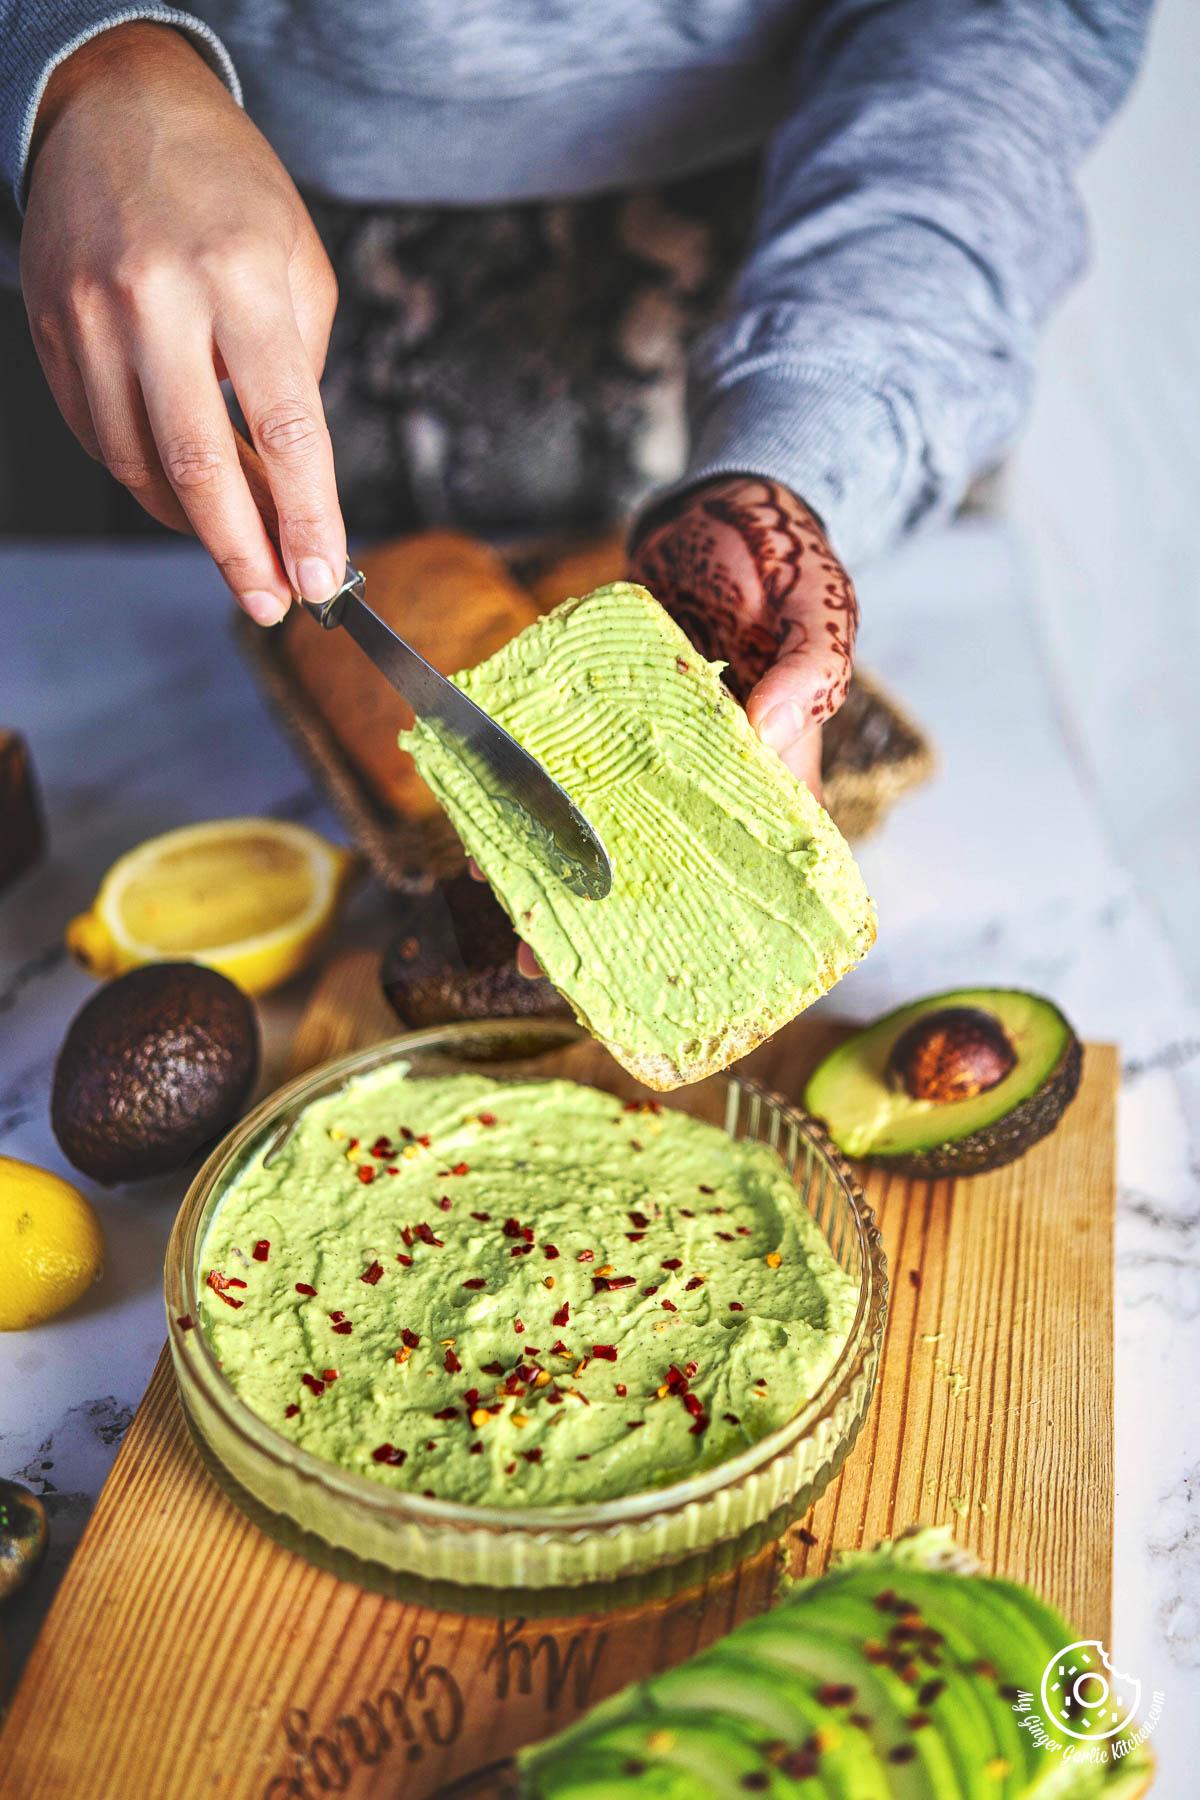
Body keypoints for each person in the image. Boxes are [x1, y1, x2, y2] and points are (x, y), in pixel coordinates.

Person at [4, 4, 1150, 797]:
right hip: (145, 234)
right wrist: (78, 57)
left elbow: (1015, 20)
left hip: (815, 255)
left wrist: (807, 447)